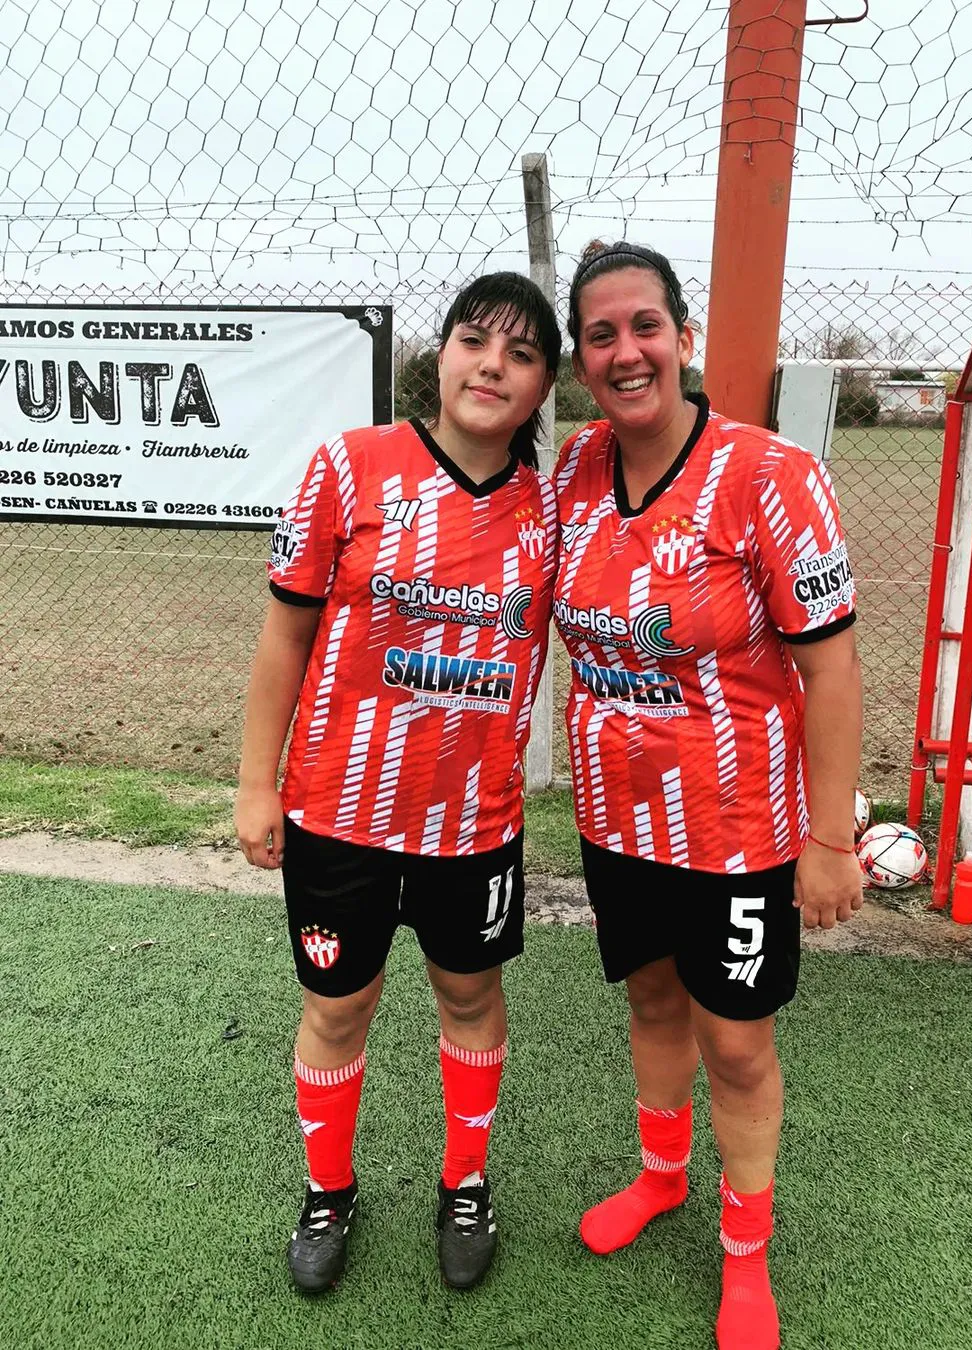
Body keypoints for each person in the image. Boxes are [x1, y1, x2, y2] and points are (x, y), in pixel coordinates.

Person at [554, 241, 863, 1350]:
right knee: (648, 1000)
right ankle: (661, 1177)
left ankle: (746, 1261)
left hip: (739, 831)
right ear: (583, 359)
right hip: (617, 819)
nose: (625, 350)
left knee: (735, 1043)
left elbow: (829, 664)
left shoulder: (772, 475)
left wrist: (831, 838)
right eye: (600, 334)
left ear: (681, 337)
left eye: (644, 325)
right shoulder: (574, 474)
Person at [235, 272, 560, 1296]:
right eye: (476, 340)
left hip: (474, 825)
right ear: (442, 354)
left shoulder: (556, 512)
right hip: (338, 813)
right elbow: (286, 635)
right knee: (339, 1004)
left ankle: (466, 1183)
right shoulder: (350, 467)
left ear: (544, 382)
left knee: (469, 993)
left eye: (519, 353)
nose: (491, 365)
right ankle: (328, 1191)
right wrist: (256, 784)